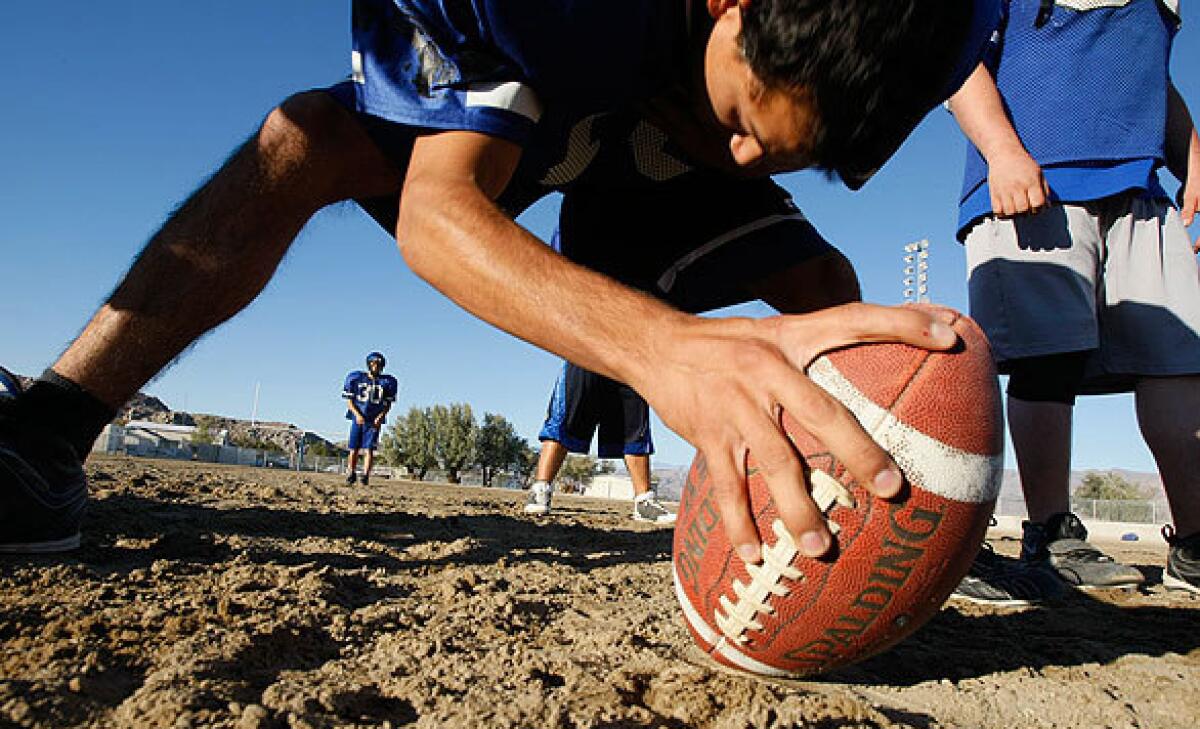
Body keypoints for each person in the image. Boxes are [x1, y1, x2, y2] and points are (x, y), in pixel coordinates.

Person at [0, 0, 999, 560]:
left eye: (783, 153)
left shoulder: (919, 30)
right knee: (306, 140)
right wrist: (666, 349)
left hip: (651, 124)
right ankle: (51, 427)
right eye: (746, 114)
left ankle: (881, 520)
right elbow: (438, 220)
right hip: (551, 78)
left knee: (826, 283)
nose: (744, 156)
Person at [948, 0, 1200, 602]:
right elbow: (957, 66)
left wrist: (1192, 160)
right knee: (1047, 359)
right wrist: (1004, 152)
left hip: (1141, 188)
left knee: (1178, 361)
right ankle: (1049, 537)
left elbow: (1152, 79)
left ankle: (1194, 545)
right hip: (1035, 182)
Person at [526, 361, 675, 524]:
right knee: (563, 420)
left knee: (635, 427)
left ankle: (644, 502)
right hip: (585, 349)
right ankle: (540, 490)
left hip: (629, 356)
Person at [342, 351, 399, 486]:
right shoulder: (355, 378)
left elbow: (388, 403)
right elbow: (349, 401)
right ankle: (351, 472)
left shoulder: (387, 382)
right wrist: (357, 414)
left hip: (373, 420)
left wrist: (381, 416)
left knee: (369, 449)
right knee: (353, 448)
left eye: (378, 364)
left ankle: (366, 475)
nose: (376, 367)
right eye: (373, 364)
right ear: (368, 364)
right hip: (358, 417)